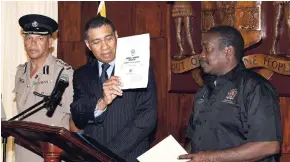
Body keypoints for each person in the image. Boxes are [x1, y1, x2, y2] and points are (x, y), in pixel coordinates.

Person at [179, 26, 282, 162]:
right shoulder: (203, 92)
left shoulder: (255, 87)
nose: (201, 55)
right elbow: (193, 142)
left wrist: (209, 158)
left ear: (228, 52)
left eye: (207, 49)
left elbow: (268, 146)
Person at [70, 15, 157, 162]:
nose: (105, 47)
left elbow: (147, 118)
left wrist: (107, 154)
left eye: (109, 38)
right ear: (88, 45)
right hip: (93, 156)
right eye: (96, 42)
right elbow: (78, 114)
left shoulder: (139, 66)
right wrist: (101, 103)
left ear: (117, 36)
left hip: (128, 157)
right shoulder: (81, 74)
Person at [14, 14, 74, 161]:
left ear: (50, 42)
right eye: (29, 38)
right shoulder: (20, 71)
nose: (33, 44)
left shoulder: (63, 72)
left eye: (40, 38)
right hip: (24, 151)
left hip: (51, 153)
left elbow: (74, 118)